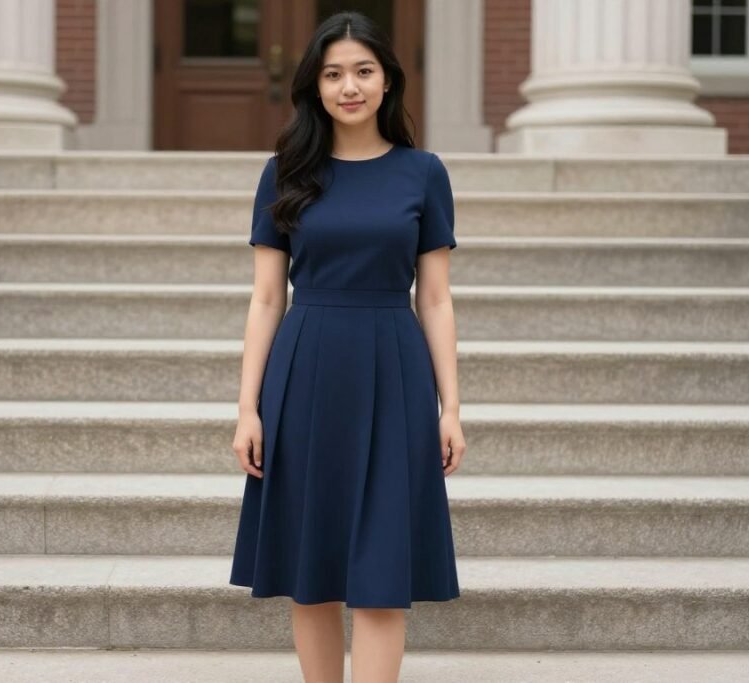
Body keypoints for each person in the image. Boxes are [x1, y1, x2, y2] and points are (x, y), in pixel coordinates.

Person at [229, 10, 465, 683]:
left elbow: (437, 296)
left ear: (388, 80)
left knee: (383, 567)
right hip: (305, 371)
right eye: (333, 74)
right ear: (315, 86)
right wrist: (248, 407)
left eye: (363, 71)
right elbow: (267, 297)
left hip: (394, 367)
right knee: (313, 565)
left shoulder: (423, 173)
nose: (349, 86)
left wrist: (451, 405)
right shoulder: (284, 171)